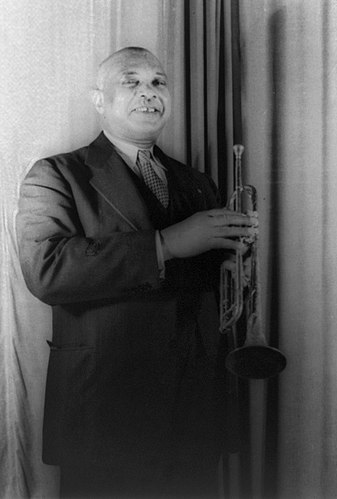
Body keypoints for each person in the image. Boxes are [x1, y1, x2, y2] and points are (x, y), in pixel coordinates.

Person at [16, 47, 257, 498]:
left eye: (159, 83)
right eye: (132, 82)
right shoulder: (56, 174)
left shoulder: (196, 181)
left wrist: (228, 267)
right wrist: (165, 244)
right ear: (99, 99)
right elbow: (46, 270)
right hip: (107, 409)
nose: (149, 94)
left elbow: (198, 280)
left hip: (193, 407)